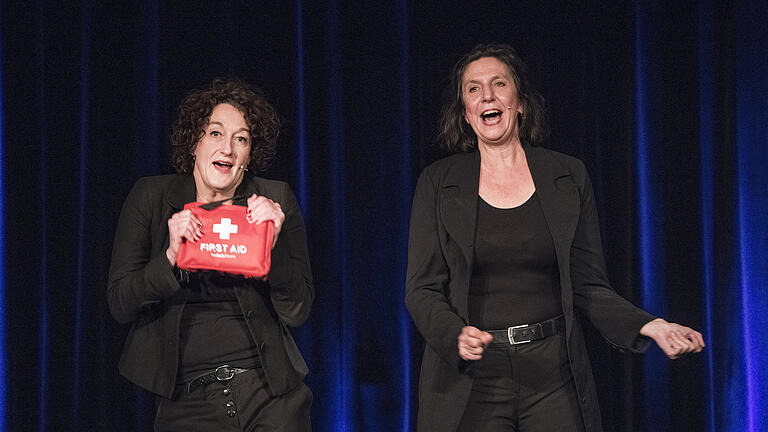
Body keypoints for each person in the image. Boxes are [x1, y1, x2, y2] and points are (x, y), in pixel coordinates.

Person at [404, 43, 705, 432]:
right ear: (465, 112)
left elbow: (589, 284)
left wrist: (651, 326)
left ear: (521, 102)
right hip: (474, 375)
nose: (488, 95)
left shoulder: (567, 175)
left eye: (499, 83)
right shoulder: (438, 183)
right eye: (473, 89)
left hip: (552, 374)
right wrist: (455, 335)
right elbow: (421, 288)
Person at [107, 79, 313, 431]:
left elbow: (298, 310)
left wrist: (271, 248)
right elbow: (120, 303)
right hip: (187, 400)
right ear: (193, 143)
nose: (228, 149)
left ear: (250, 156)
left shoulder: (274, 199)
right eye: (215, 133)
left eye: (241, 138)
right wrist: (171, 256)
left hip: (268, 396)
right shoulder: (150, 197)